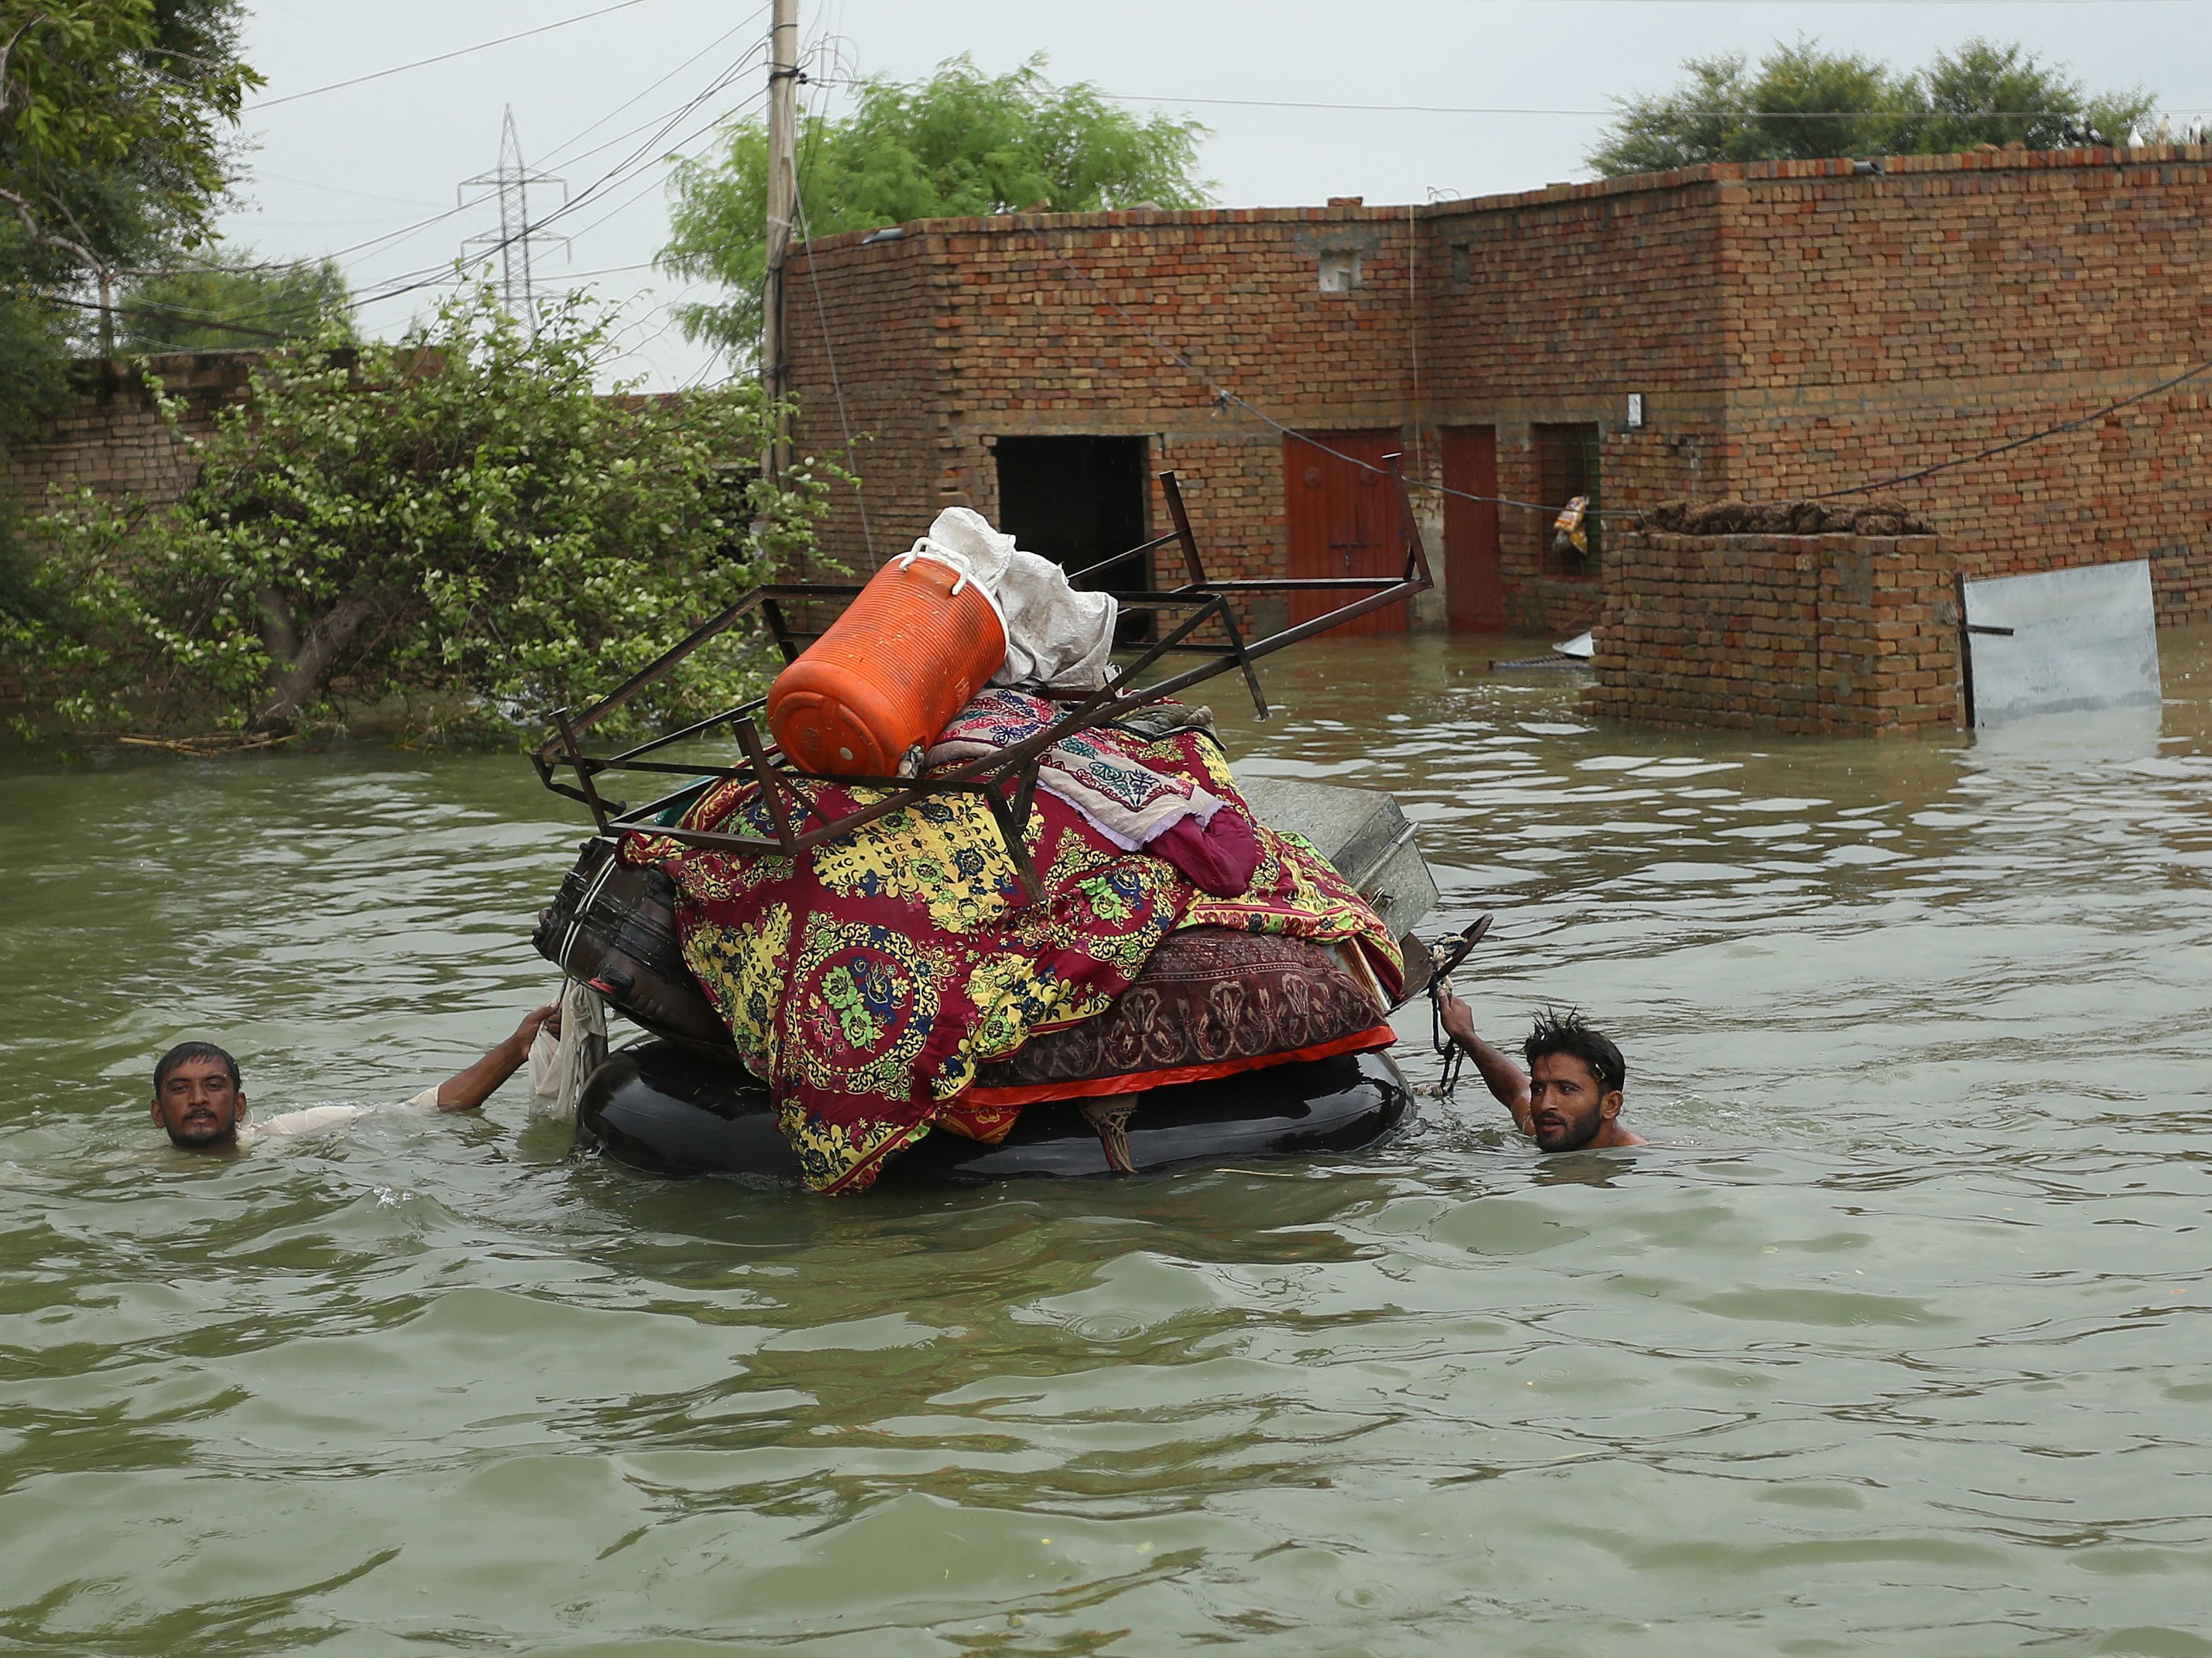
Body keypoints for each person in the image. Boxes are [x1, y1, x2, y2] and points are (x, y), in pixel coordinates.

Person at [149, 1003, 561, 1153]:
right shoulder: (135, 1169)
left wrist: (517, 1047)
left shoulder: (290, 1135)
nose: (198, 1099)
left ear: (239, 1106)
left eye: (214, 1086)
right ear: (158, 1112)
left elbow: (430, 1109)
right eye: (180, 1089)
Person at [1435, 991, 1646, 1153]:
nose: (1545, 1104)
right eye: (1538, 1089)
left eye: (1566, 1089)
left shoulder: (1645, 1165)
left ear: (1610, 1105)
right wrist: (1466, 1036)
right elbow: (1516, 1092)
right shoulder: (1550, 1126)